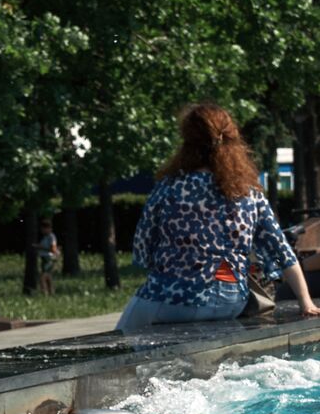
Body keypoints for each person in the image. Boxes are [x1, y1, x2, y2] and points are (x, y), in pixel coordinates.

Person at [118, 103, 320, 330]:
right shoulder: (249, 193)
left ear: (187, 142)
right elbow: (281, 250)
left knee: (120, 339)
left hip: (172, 300)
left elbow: (143, 249)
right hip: (231, 301)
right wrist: (305, 301)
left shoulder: (169, 187)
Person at [37, 219, 60, 296]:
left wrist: (40, 247)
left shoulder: (51, 237)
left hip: (49, 258)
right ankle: (51, 292)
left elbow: (52, 249)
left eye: (43, 229)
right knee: (48, 277)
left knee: (43, 276)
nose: (42, 231)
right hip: (45, 258)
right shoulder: (46, 237)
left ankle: (44, 293)